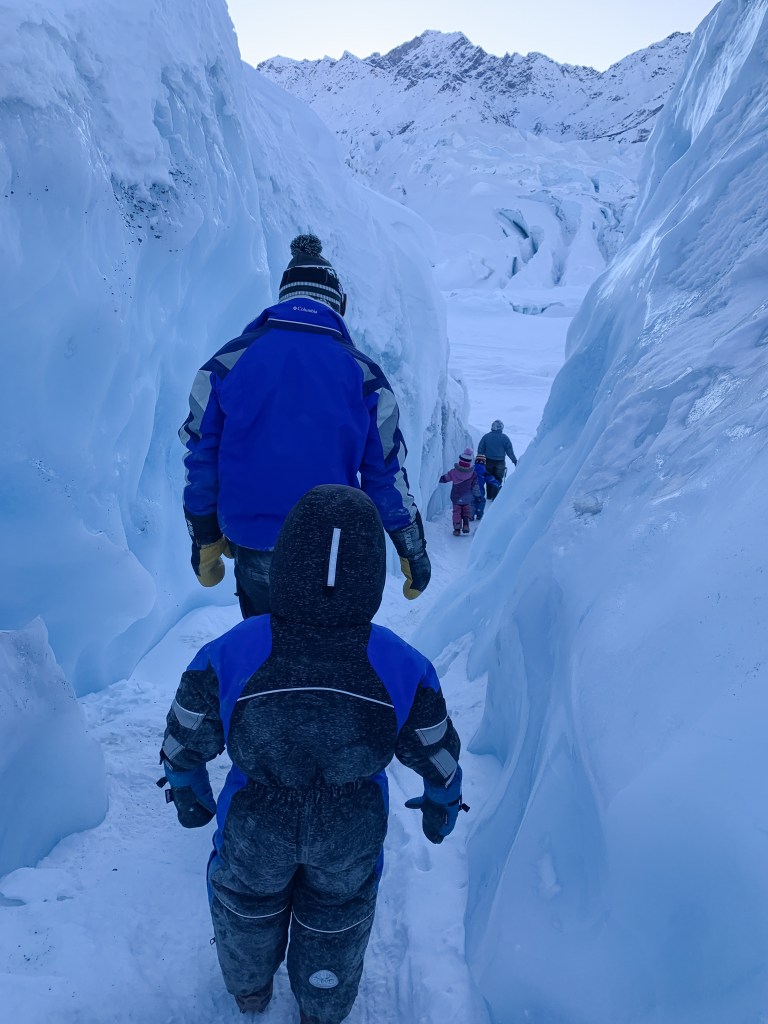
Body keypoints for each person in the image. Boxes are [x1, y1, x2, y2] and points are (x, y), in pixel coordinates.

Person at [158, 485, 464, 1024]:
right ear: (372, 572)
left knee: (244, 903)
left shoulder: (236, 649)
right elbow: (435, 747)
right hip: (351, 823)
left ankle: (249, 988)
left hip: (256, 817)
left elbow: (187, 729)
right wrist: (443, 796)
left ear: (286, 562)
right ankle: (322, 1004)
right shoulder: (400, 662)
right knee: (338, 916)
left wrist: (185, 783)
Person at [179, 233, 430, 618]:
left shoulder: (226, 363)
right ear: (337, 304)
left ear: (284, 298)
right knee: (327, 648)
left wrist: (204, 536)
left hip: (253, 546)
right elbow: (384, 473)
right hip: (330, 550)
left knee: (266, 643)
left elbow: (202, 456)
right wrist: (410, 546)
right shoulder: (365, 376)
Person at [439, 447, 481, 535]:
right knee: (466, 511)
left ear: (460, 460)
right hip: (467, 497)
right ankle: (466, 525)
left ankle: (457, 530)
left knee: (456, 513)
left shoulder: (453, 472)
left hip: (456, 497)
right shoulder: (473, 474)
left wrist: (438, 479)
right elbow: (475, 486)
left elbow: (445, 478)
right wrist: (478, 496)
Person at [477, 419, 517, 500]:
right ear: (501, 427)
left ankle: (489, 496)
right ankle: (495, 498)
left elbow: (480, 449)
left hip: (488, 461)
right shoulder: (505, 438)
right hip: (500, 462)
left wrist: (479, 461)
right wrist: (514, 461)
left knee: (489, 477)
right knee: (498, 479)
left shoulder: (486, 437)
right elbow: (509, 451)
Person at [471, 454, 492, 521]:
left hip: (470, 489)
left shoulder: (471, 469)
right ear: (483, 462)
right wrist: (497, 484)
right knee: (481, 501)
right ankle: (479, 514)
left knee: (471, 502)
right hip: (480, 491)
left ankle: (470, 515)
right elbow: (490, 479)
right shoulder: (485, 471)